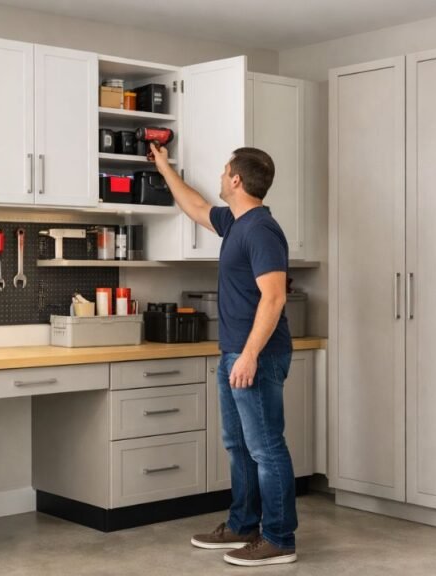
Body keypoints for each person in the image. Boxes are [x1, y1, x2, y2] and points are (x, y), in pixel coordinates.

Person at [150, 143, 297, 567]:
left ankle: (279, 538)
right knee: (239, 445)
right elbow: (195, 206)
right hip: (234, 353)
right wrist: (163, 166)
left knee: (266, 448)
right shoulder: (236, 223)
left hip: (257, 356)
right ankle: (243, 525)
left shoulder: (261, 230)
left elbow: (273, 298)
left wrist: (250, 356)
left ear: (236, 179)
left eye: (224, 170)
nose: (219, 176)